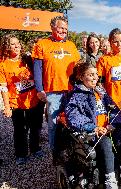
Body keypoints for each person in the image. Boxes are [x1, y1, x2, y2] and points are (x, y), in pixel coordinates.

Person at [65, 62, 121, 189]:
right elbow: (73, 116)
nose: (95, 77)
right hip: (91, 132)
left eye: (96, 74)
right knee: (106, 142)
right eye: (90, 75)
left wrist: (113, 123)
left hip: (108, 128)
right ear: (81, 77)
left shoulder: (101, 92)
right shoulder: (76, 95)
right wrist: (93, 127)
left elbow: (113, 109)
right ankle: (110, 179)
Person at [32, 16, 80, 152]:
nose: (63, 30)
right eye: (60, 27)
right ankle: (54, 151)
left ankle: (70, 148)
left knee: (71, 119)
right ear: (52, 27)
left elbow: (77, 68)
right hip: (52, 91)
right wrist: (39, 89)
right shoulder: (42, 44)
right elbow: (37, 68)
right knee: (53, 123)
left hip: (71, 91)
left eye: (65, 28)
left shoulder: (71, 45)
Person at [0, 34, 43, 165]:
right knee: (20, 129)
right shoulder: (2, 64)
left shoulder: (27, 59)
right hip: (16, 103)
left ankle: (35, 148)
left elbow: (39, 76)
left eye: (18, 43)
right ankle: (21, 154)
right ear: (7, 47)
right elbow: (3, 88)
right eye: (13, 44)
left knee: (35, 127)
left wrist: (30, 79)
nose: (17, 46)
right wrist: (7, 107)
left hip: (34, 100)